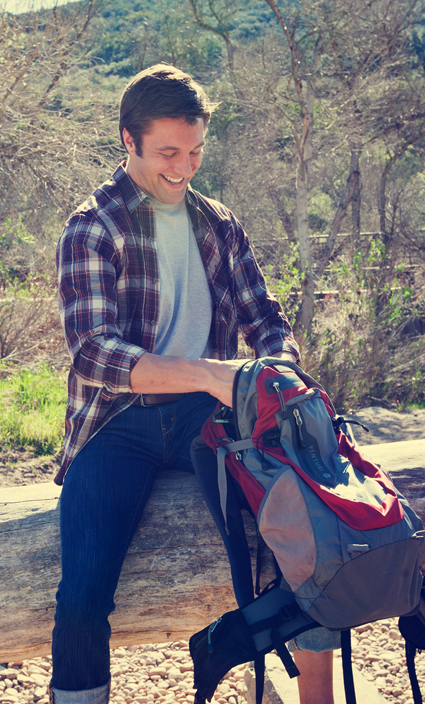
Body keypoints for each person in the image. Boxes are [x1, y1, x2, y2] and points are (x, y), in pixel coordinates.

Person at [50, 63, 337, 704]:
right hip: (114, 422)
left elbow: (267, 321)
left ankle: (316, 697)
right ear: (129, 140)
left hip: (207, 413)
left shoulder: (219, 224)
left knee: (303, 534)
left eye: (196, 151)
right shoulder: (92, 226)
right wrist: (209, 373)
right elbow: (94, 354)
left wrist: (275, 375)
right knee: (81, 598)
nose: (184, 167)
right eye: (168, 153)